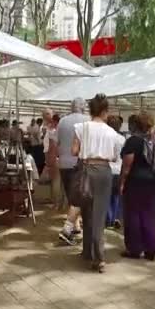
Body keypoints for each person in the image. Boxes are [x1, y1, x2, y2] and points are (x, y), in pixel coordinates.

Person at [72, 94, 121, 273]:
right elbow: (115, 157)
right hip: (104, 173)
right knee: (99, 215)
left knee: (86, 212)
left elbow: (74, 150)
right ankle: (99, 257)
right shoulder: (112, 133)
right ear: (104, 111)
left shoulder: (81, 127)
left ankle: (88, 252)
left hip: (86, 170)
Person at [119, 112, 155, 261]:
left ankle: (135, 249)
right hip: (152, 182)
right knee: (149, 215)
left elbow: (126, 166)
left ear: (135, 125)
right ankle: (151, 248)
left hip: (135, 182)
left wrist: (122, 183)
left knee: (133, 216)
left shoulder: (133, 141)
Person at [57, 98, 90, 245]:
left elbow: (58, 142)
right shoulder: (88, 120)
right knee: (79, 196)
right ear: (83, 107)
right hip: (79, 163)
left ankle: (75, 226)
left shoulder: (62, 121)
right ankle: (69, 229)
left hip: (64, 162)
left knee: (71, 195)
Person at [107, 115, 125, 229]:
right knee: (117, 196)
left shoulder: (106, 137)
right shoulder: (122, 139)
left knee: (107, 197)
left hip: (107, 169)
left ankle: (109, 219)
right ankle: (116, 217)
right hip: (119, 170)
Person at [42, 109, 61, 209]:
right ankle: (56, 202)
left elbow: (52, 146)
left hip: (53, 157)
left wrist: (50, 159)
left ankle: (56, 203)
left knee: (55, 180)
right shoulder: (50, 130)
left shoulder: (52, 132)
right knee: (55, 180)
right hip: (53, 157)